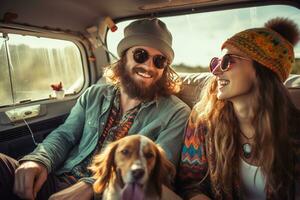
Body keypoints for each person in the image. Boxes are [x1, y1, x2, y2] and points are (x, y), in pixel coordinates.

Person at [0, 18, 190, 200]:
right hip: (58, 177)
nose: (149, 66)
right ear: (124, 58)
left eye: (159, 61)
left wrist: (92, 186)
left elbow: (159, 173)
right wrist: (39, 160)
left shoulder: (176, 113)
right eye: (141, 55)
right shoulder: (93, 94)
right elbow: (65, 135)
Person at [177, 17, 300, 200]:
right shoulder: (204, 120)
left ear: (262, 70)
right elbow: (190, 184)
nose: (216, 71)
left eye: (227, 60)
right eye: (216, 62)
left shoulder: (294, 131)